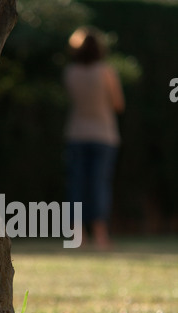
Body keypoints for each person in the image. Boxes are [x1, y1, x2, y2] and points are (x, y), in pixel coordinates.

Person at [63, 27, 125, 249]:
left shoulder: (70, 72)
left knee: (77, 185)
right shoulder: (107, 71)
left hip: (76, 133)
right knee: (99, 184)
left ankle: (77, 235)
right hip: (104, 134)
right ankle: (100, 235)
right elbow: (119, 104)